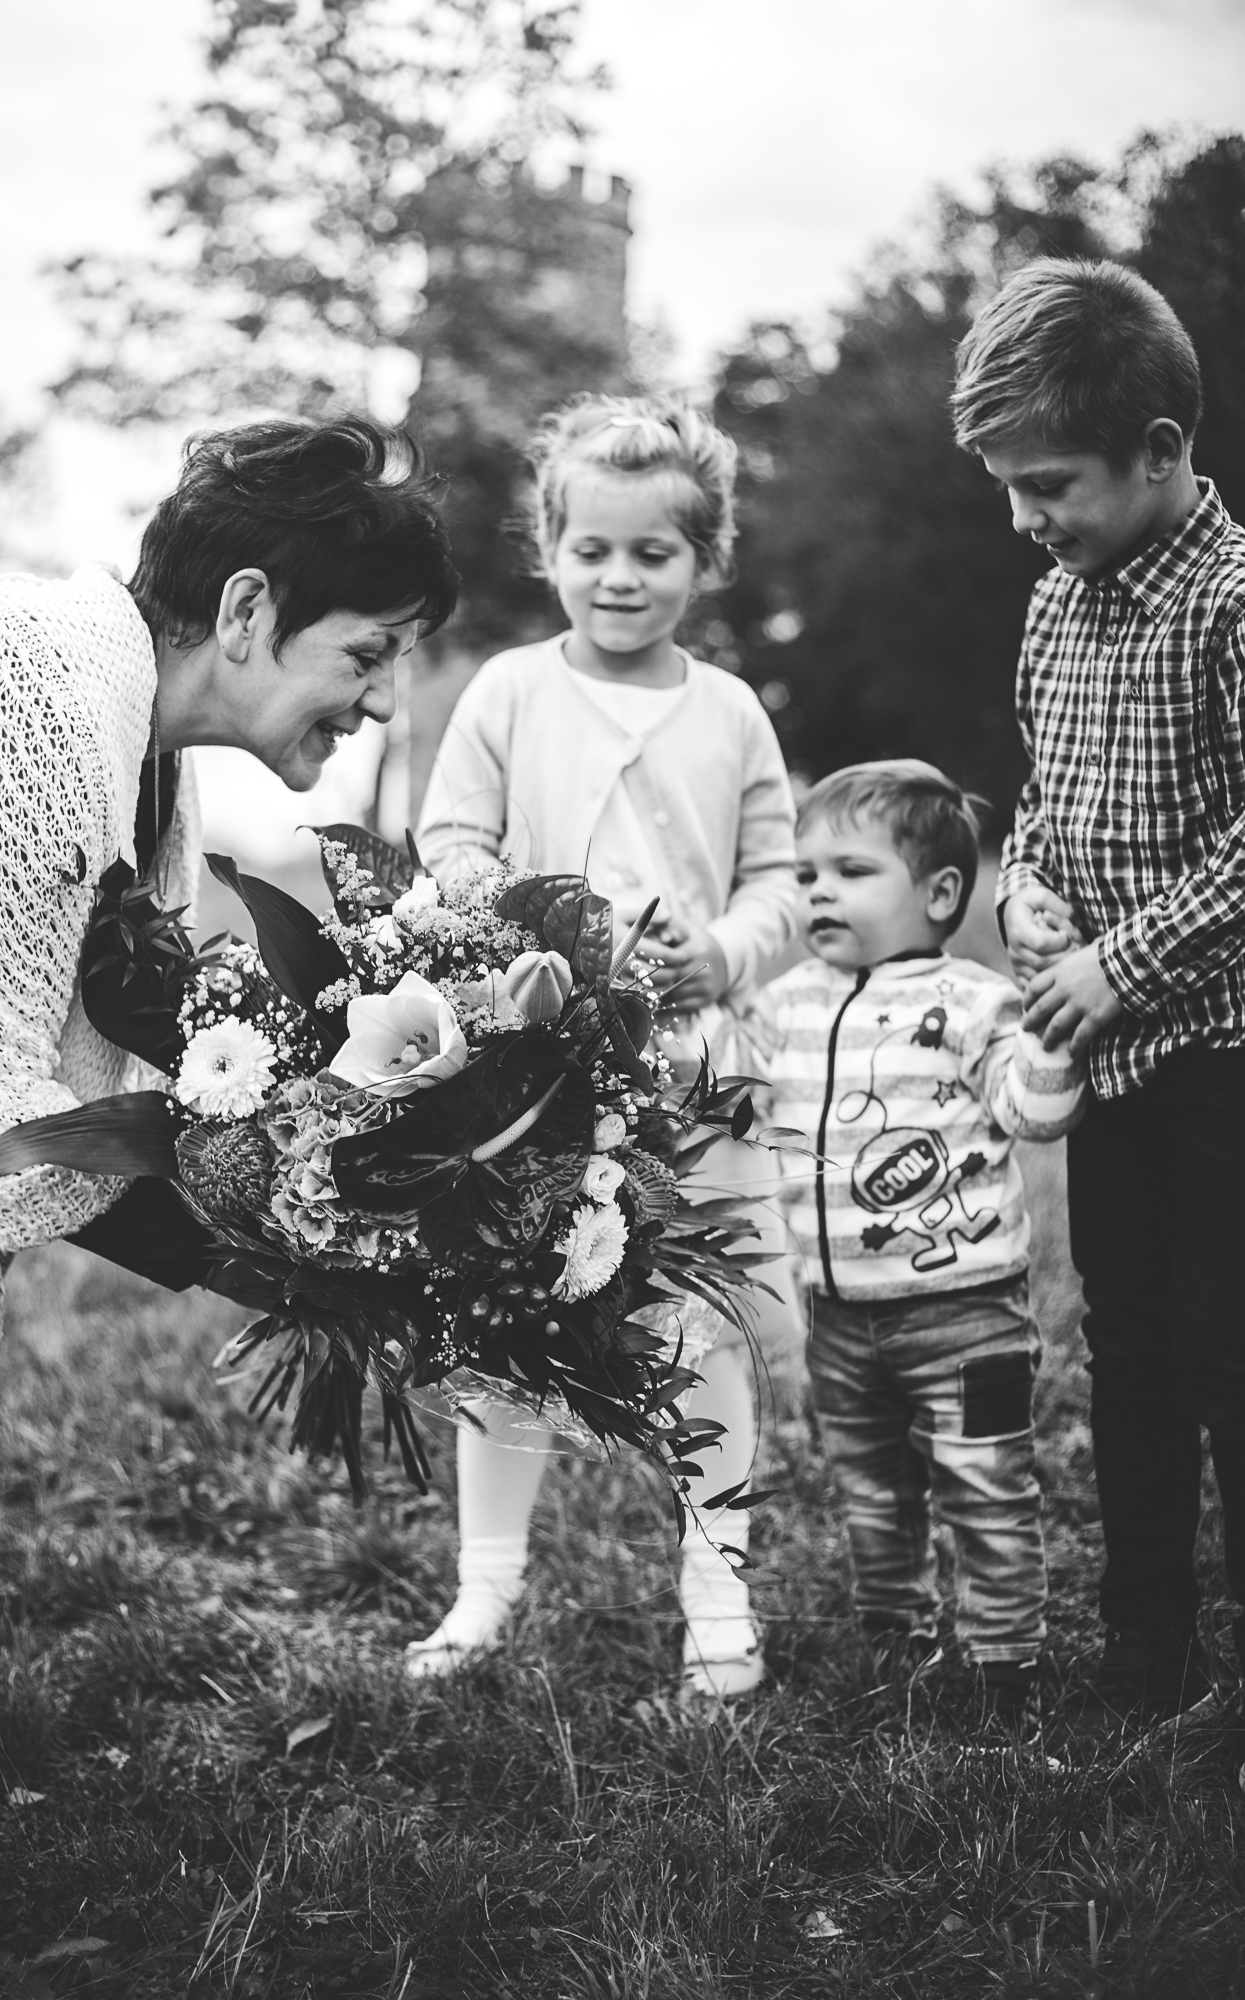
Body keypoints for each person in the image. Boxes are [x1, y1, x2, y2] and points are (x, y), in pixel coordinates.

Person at [0, 415, 457, 1486]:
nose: (387, 699)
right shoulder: (29, 692)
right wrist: (301, 1253)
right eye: (366, 653)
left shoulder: (146, 762)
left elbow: (133, 1080)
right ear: (247, 609)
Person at [410, 394, 803, 1695]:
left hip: (697, 1070)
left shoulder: (731, 712)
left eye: (654, 553)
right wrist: (510, 930)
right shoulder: (511, 693)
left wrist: (727, 949)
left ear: (706, 560)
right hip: (540, 1071)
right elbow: (451, 843)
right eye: (593, 550)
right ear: (551, 549)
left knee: (708, 1327)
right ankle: (485, 1588)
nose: (620, 577)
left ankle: (716, 1594)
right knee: (503, 1327)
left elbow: (780, 882)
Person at [952, 257, 1245, 1723]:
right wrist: (1028, 895)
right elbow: (1046, 791)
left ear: (1163, 453)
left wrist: (1118, 958)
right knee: (1124, 1338)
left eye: (1049, 482)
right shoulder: (1055, 603)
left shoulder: (1235, 602)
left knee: (1225, 1342)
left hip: (1223, 1044)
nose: (1025, 517)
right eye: (1007, 488)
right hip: (1110, 1056)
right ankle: (1146, 1647)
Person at [757, 761, 1085, 1730]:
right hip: (839, 1316)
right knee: (869, 1488)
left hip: (965, 1312)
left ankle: (1003, 1663)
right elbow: (729, 1094)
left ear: (940, 891)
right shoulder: (789, 1004)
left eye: (850, 870)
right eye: (806, 871)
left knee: (984, 1485)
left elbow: (1034, 1114)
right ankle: (893, 1633)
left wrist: (1054, 1041)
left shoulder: (978, 1002)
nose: (818, 890)